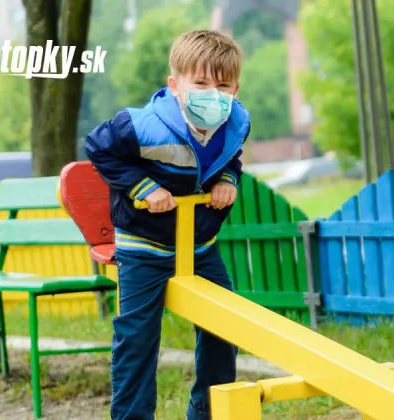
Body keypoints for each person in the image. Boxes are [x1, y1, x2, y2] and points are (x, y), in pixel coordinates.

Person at [85, 30, 250, 420]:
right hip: (145, 245)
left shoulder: (235, 122)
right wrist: (144, 186)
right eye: (201, 83)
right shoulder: (141, 125)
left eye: (223, 85)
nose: (213, 93)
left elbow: (230, 160)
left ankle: (208, 411)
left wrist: (227, 180)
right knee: (138, 337)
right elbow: (98, 148)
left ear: (235, 87)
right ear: (175, 85)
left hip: (198, 245)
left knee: (223, 326)